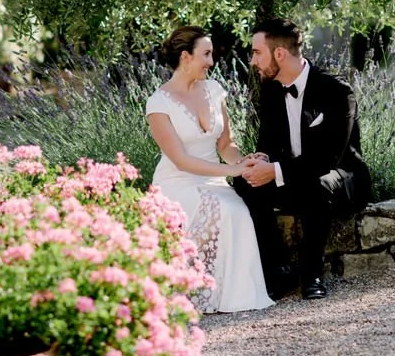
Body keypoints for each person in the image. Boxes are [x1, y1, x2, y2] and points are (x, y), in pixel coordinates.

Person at [235, 17, 371, 300]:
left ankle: (312, 274)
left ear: (280, 54)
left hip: (339, 178)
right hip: (296, 176)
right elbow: (269, 143)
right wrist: (261, 159)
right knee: (246, 183)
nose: (252, 61)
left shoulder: (337, 92)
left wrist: (274, 170)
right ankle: (277, 272)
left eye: (257, 52)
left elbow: (328, 159)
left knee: (317, 183)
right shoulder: (271, 90)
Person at [145, 25, 275, 313]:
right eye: (205, 54)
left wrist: (242, 161)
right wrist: (234, 172)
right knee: (225, 211)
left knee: (239, 211)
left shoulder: (215, 90)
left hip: (215, 180)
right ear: (185, 57)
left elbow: (226, 143)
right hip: (177, 182)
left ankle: (233, 297)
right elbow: (180, 160)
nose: (211, 62)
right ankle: (188, 292)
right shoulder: (158, 103)